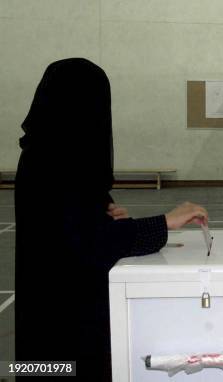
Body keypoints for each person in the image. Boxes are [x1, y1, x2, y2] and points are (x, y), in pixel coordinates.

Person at [15, 58, 208, 381]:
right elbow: (89, 243)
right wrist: (165, 222)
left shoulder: (46, 151)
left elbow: (73, 223)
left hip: (54, 312)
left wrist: (105, 215)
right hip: (62, 323)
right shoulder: (52, 162)